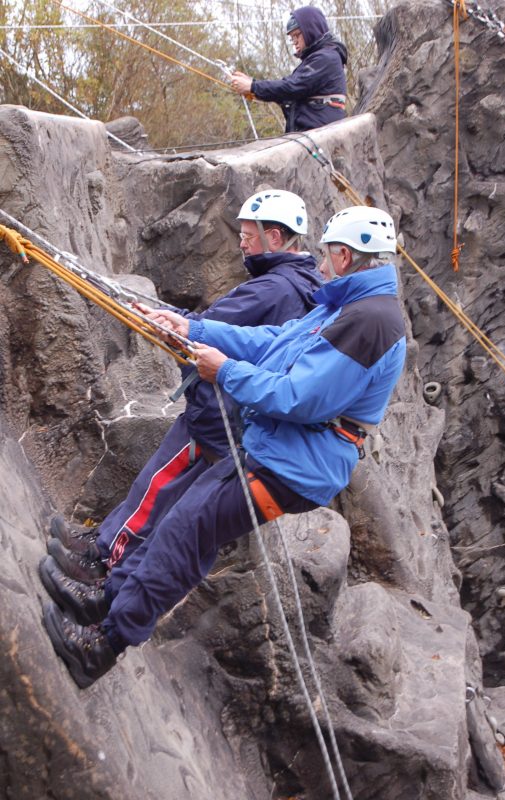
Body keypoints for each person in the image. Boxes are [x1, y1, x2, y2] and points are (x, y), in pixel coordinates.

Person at [41, 205, 406, 689]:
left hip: (292, 465)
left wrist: (225, 370)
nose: (320, 265)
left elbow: (300, 397)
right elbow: (275, 342)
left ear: (344, 255)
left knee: (185, 532)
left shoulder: (370, 320)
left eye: (326, 255)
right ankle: (107, 603)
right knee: (181, 526)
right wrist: (194, 330)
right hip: (278, 451)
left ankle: (104, 644)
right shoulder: (350, 307)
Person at [40, 188, 320, 587]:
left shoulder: (272, 289)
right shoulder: (307, 283)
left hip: (220, 412)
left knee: (158, 490)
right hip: (241, 416)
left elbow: (209, 328)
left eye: (248, 234)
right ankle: (105, 542)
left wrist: (163, 317)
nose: (241, 242)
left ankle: (103, 560)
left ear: (275, 237)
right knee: (161, 492)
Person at [231, 6, 347, 133]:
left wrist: (253, 86)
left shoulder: (327, 58)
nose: (295, 42)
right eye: (292, 38)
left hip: (321, 137)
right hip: (310, 135)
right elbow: (287, 91)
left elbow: (293, 87)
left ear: (311, 30)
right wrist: (253, 87)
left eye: (297, 35)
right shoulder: (315, 60)